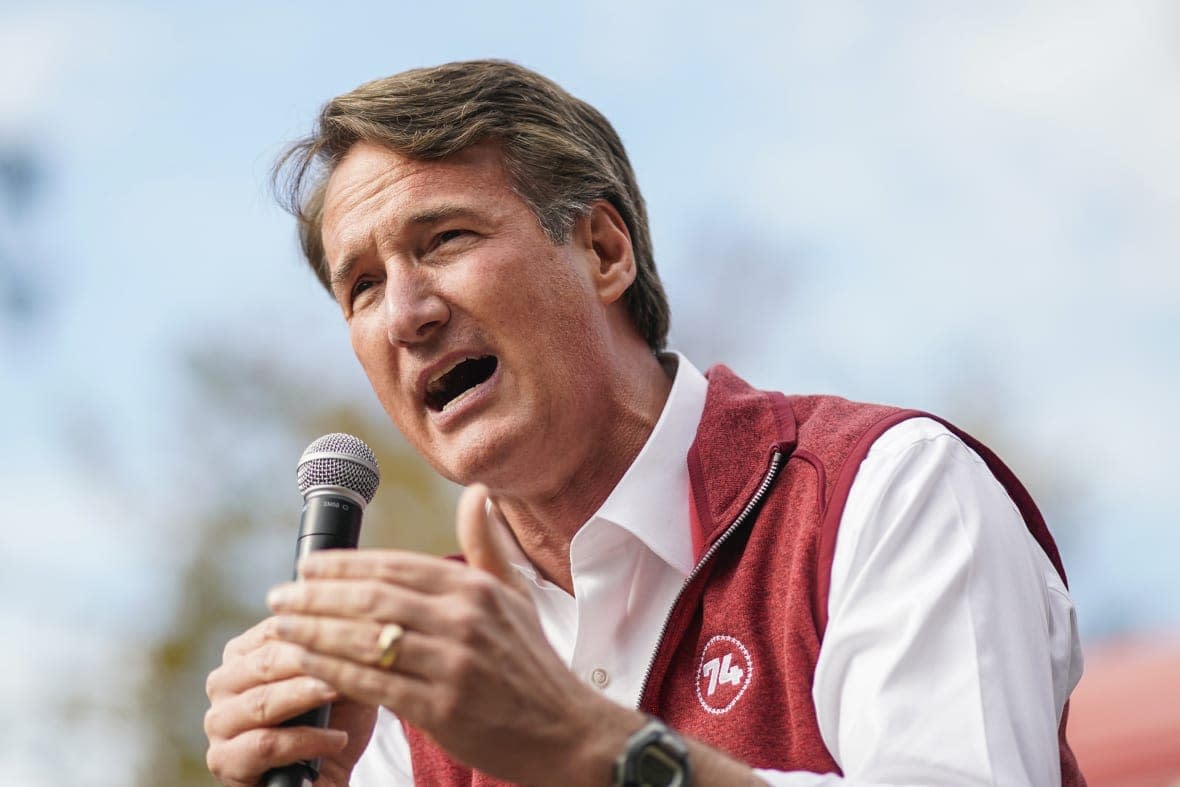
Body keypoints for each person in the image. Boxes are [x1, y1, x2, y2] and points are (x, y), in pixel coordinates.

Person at [203, 60, 1086, 786]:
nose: (404, 313)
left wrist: (595, 751)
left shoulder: (886, 490)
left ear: (602, 249)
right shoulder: (416, 666)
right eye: (360, 286)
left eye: (444, 240)